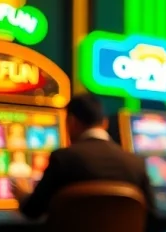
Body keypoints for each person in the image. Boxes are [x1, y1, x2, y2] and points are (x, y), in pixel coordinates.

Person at [10, 93, 154, 219]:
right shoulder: (136, 163)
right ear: (105, 123)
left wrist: (22, 194)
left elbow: (33, 211)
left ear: (71, 121)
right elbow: (152, 218)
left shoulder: (63, 159)